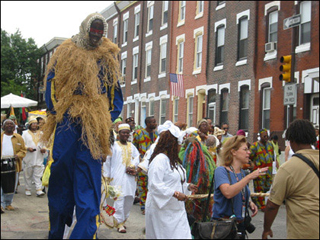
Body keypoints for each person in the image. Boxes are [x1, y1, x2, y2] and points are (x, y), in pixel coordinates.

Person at [41, 13, 123, 239]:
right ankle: (57, 231)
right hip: (67, 122)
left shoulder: (107, 55)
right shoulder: (65, 51)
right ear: (86, 29)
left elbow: (115, 95)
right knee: (60, 181)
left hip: (93, 127)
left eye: (100, 31)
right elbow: (52, 85)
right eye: (93, 30)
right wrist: (58, 112)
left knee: (89, 188)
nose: (97, 35)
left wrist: (103, 119)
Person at [263, 119, 319, 239]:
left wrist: (266, 229)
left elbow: (272, 205)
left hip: (305, 231)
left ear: (292, 141)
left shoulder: (288, 169)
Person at [145, 125, 197, 239]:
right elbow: (154, 185)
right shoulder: (159, 160)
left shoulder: (174, 162)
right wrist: (175, 194)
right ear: (172, 144)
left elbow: (175, 182)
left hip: (177, 210)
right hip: (162, 210)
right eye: (180, 144)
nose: (181, 147)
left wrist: (187, 187)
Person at [212, 135, 267, 239]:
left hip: (239, 226)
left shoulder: (241, 173)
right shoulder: (221, 171)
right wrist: (250, 177)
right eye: (245, 149)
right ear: (233, 152)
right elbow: (228, 192)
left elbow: (239, 191)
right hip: (223, 227)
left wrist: (249, 202)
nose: (249, 153)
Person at [103, 124, 139, 233]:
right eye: (123, 132)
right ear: (119, 133)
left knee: (129, 199)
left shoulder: (132, 146)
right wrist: (107, 177)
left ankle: (123, 220)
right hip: (117, 178)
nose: (125, 135)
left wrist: (133, 166)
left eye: (127, 133)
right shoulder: (113, 146)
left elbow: (137, 158)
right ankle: (119, 223)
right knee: (119, 199)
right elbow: (107, 162)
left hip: (129, 179)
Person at [133, 116, 158, 215]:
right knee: (142, 185)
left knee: (152, 184)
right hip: (142, 163)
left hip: (154, 162)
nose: (155, 124)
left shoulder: (157, 134)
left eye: (155, 122)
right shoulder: (139, 134)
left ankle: (152, 205)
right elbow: (134, 147)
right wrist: (137, 159)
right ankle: (143, 205)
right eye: (152, 122)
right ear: (147, 123)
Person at [1, 119, 27, 213]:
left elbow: (23, 150)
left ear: (14, 127)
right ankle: (1, 204)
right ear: (3, 127)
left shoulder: (18, 137)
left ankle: (8, 203)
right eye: (7, 124)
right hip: (1, 162)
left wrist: (18, 155)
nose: (9, 125)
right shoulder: (1, 136)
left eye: (11, 124)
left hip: (14, 164)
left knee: (11, 185)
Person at [22, 118, 47, 197]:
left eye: (36, 123)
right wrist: (28, 148)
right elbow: (23, 144)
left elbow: (45, 144)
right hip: (29, 157)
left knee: (38, 174)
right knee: (28, 174)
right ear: (30, 125)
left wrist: (44, 149)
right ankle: (28, 189)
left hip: (39, 156)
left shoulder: (42, 133)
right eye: (33, 124)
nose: (34, 125)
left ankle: (39, 189)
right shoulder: (25, 133)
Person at [249, 129, 274, 211]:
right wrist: (252, 165)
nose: (266, 138)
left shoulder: (270, 145)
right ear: (260, 136)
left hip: (269, 170)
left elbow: (272, 157)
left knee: (267, 186)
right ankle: (261, 205)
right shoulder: (255, 146)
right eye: (264, 136)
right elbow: (249, 157)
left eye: (267, 136)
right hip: (259, 170)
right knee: (260, 187)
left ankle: (256, 199)